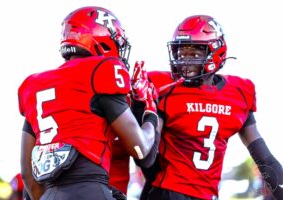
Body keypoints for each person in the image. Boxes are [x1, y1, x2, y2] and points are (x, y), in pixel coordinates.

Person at [132, 15, 283, 200]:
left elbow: (263, 156)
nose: (185, 62)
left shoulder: (240, 92)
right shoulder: (165, 87)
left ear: (216, 52)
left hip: (207, 195)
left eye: (194, 55)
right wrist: (142, 108)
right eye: (181, 54)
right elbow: (145, 156)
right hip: (168, 193)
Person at [17, 6, 159, 200]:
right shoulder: (101, 70)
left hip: (48, 194)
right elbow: (140, 149)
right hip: (90, 189)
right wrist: (150, 113)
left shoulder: (33, 84)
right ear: (104, 42)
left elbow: (27, 175)